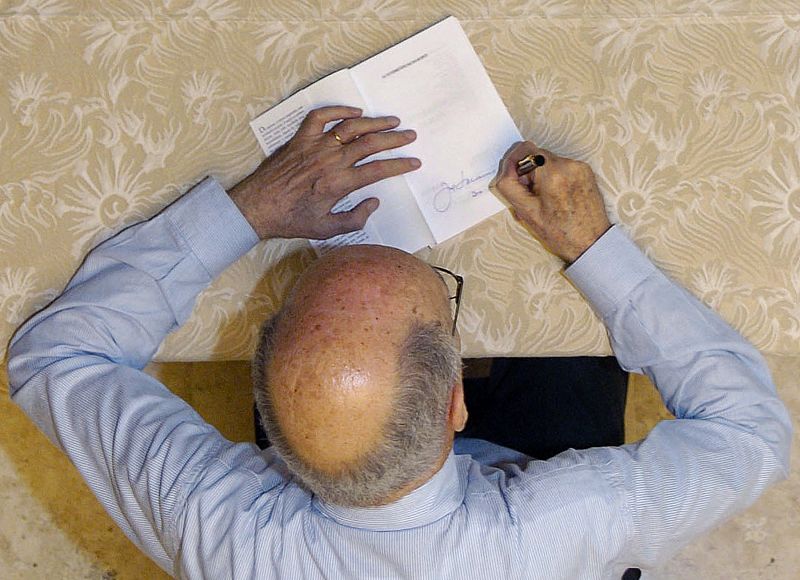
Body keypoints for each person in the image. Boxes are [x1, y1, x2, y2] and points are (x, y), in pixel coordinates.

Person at [7, 105, 791, 579]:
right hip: (535, 467)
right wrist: (593, 247)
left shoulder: (218, 525)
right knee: (572, 348)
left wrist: (248, 212)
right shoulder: (571, 519)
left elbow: (54, 356)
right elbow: (751, 431)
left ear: (268, 416)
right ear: (456, 402)